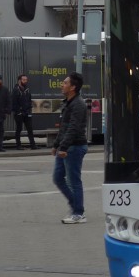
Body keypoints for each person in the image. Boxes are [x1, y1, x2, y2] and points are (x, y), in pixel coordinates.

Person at [54, 71, 88, 223]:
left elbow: (73, 128)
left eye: (66, 83)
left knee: (74, 181)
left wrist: (63, 147)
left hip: (74, 147)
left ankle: (78, 213)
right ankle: (75, 205)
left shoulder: (78, 104)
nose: (63, 84)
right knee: (57, 178)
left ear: (73, 87)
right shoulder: (68, 102)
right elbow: (63, 128)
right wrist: (56, 145)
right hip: (66, 147)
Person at [11, 73, 37, 150]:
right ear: (19, 80)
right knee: (18, 129)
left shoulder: (27, 89)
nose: (25, 81)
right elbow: (13, 102)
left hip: (27, 113)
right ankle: (18, 146)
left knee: (30, 129)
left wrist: (29, 110)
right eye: (24, 80)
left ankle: (33, 145)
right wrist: (18, 112)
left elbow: (29, 101)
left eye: (26, 80)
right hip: (19, 113)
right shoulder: (16, 90)